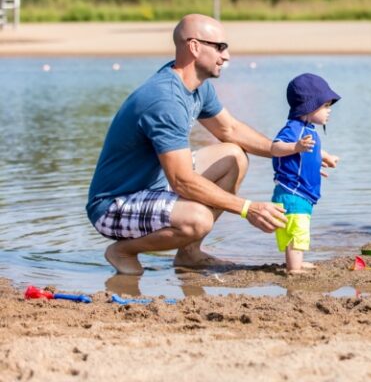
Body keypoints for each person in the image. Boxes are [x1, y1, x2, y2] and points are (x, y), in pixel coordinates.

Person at [86, 14, 289, 276]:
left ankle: (190, 254)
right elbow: (182, 180)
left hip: (154, 185)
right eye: (220, 47)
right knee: (197, 219)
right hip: (114, 204)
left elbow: (230, 129)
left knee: (233, 157)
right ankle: (122, 251)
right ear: (194, 46)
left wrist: (288, 151)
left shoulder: (196, 86)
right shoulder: (165, 100)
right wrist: (248, 208)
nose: (226, 56)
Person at [270, 73, 341, 273]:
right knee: (296, 231)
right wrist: (295, 146)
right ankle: (294, 269)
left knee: (299, 229)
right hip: (292, 193)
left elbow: (309, 152)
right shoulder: (294, 129)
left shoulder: (307, 129)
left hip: (301, 193)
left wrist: (322, 160)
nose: (329, 111)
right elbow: (276, 148)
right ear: (310, 106)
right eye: (326, 105)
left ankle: (297, 262)